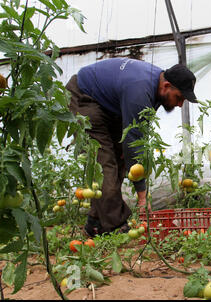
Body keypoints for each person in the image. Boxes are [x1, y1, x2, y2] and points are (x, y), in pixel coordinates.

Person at [65, 57, 197, 237]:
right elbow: (133, 142)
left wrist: (129, 155)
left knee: (120, 159)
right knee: (104, 165)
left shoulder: (155, 84)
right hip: (83, 98)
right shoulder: (140, 91)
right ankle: (116, 225)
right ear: (166, 86)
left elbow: (137, 135)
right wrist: (142, 196)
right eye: (179, 98)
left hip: (107, 104)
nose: (180, 104)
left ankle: (95, 223)